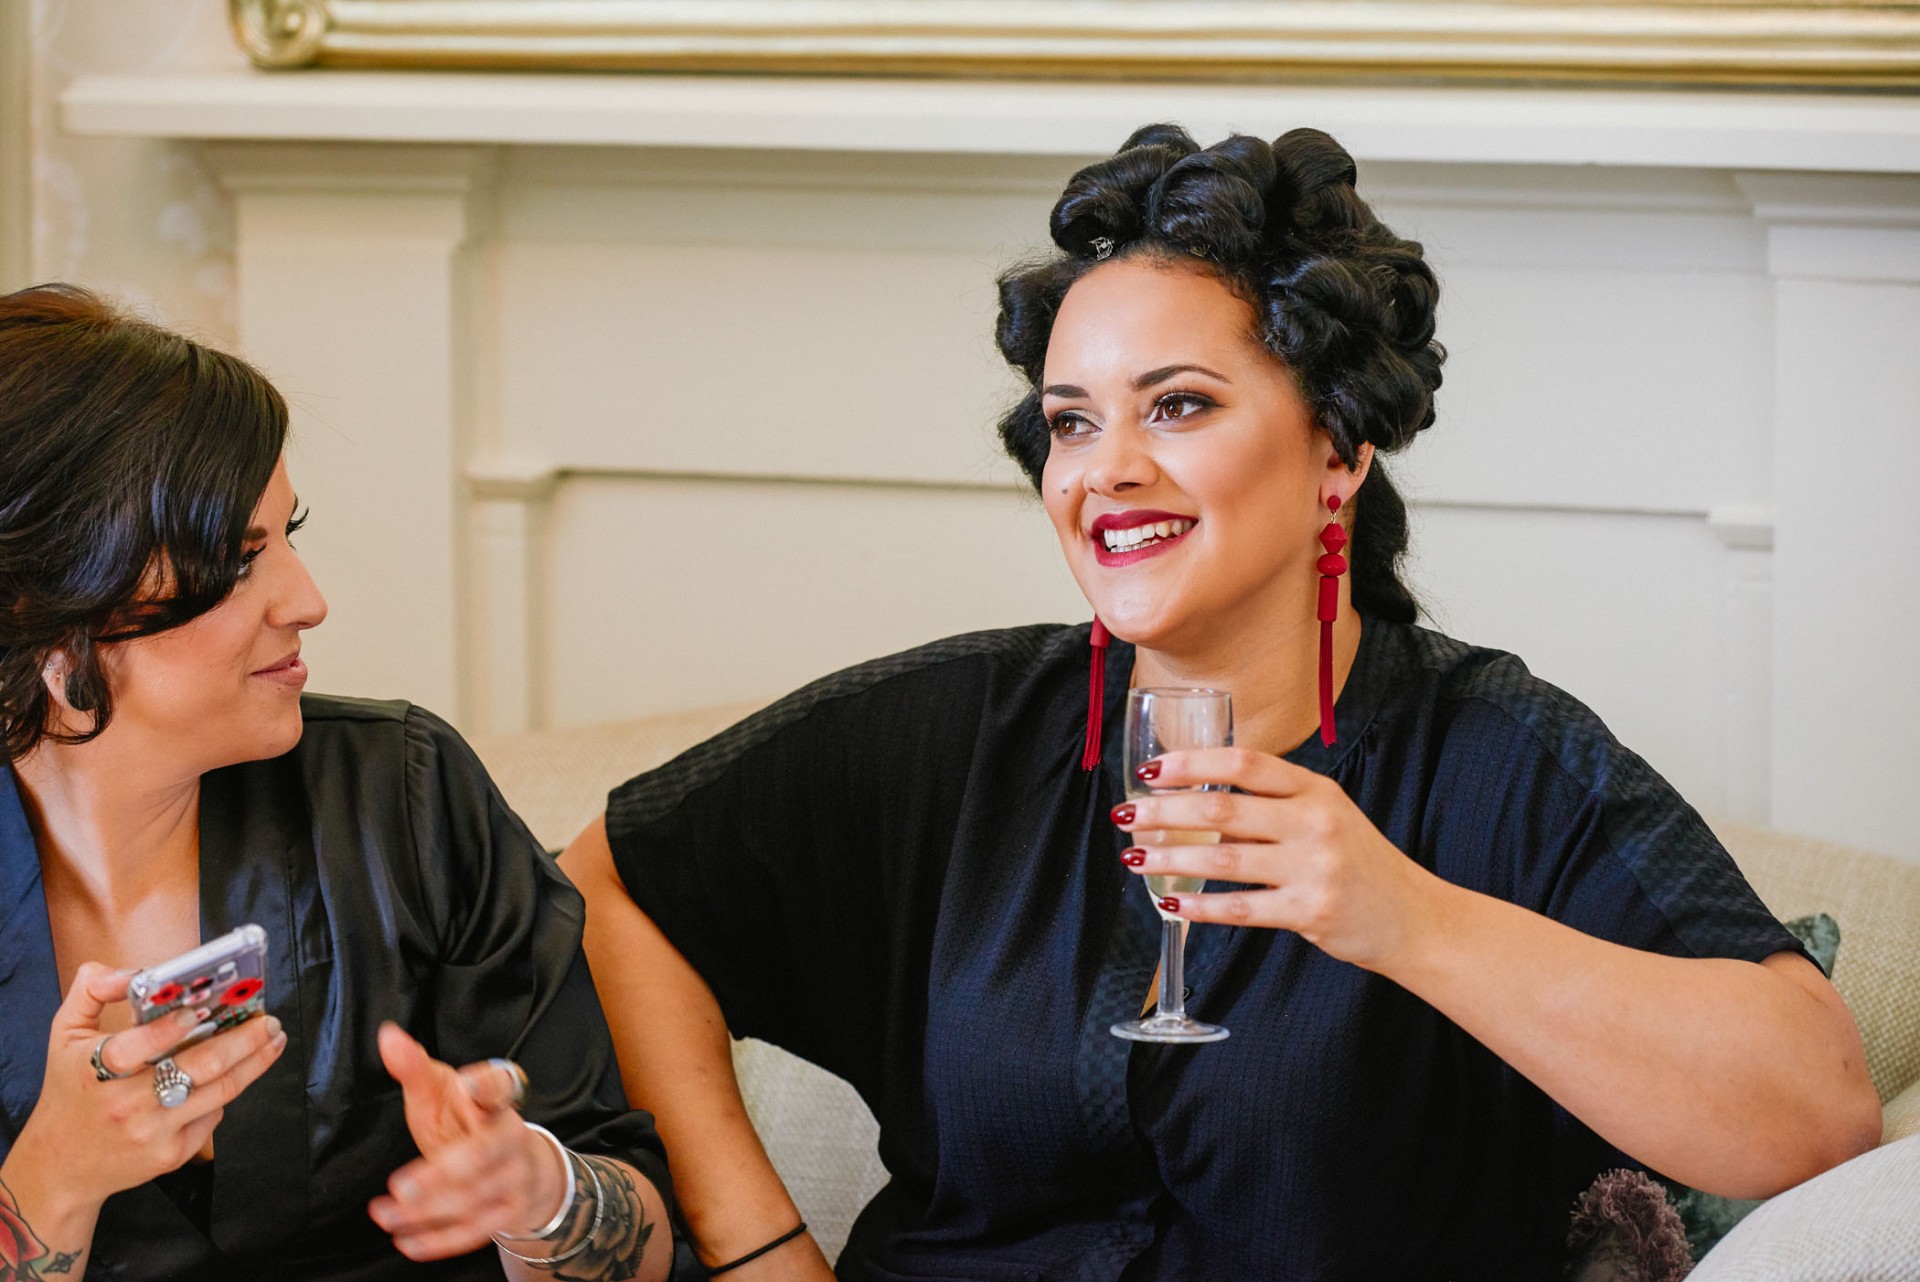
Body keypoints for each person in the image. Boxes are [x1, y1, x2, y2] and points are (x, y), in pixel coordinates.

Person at [560, 126, 1882, 1280]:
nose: (1107, 470)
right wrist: (759, 1248)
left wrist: (1403, 913)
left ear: (1338, 452)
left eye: (1177, 406)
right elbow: (615, 884)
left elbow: (1812, 1110)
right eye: (1071, 422)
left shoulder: (1491, 753)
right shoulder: (956, 731)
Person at [0, 284, 686, 1281]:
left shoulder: (401, 797)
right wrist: (53, 1177)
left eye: (290, 532)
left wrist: (541, 1193)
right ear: (54, 613)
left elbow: (648, 1240)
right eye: (238, 561)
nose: (308, 600)